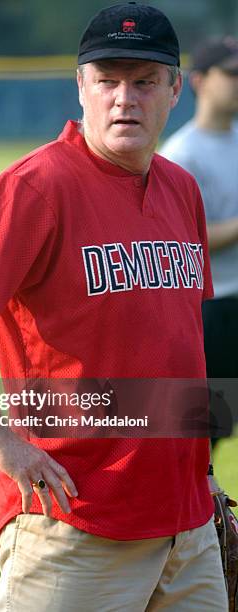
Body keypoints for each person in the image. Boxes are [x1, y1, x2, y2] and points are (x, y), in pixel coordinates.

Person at [0, 3, 228, 611]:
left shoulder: (182, 187)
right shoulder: (39, 184)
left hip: (186, 524)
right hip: (76, 518)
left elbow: (177, 342)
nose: (124, 98)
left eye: (145, 81)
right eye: (108, 80)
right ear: (82, 87)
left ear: (176, 89)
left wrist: (197, 473)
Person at [160, 37, 238, 448]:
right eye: (232, 73)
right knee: (206, 435)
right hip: (216, 310)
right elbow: (187, 244)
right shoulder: (181, 154)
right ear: (199, 81)